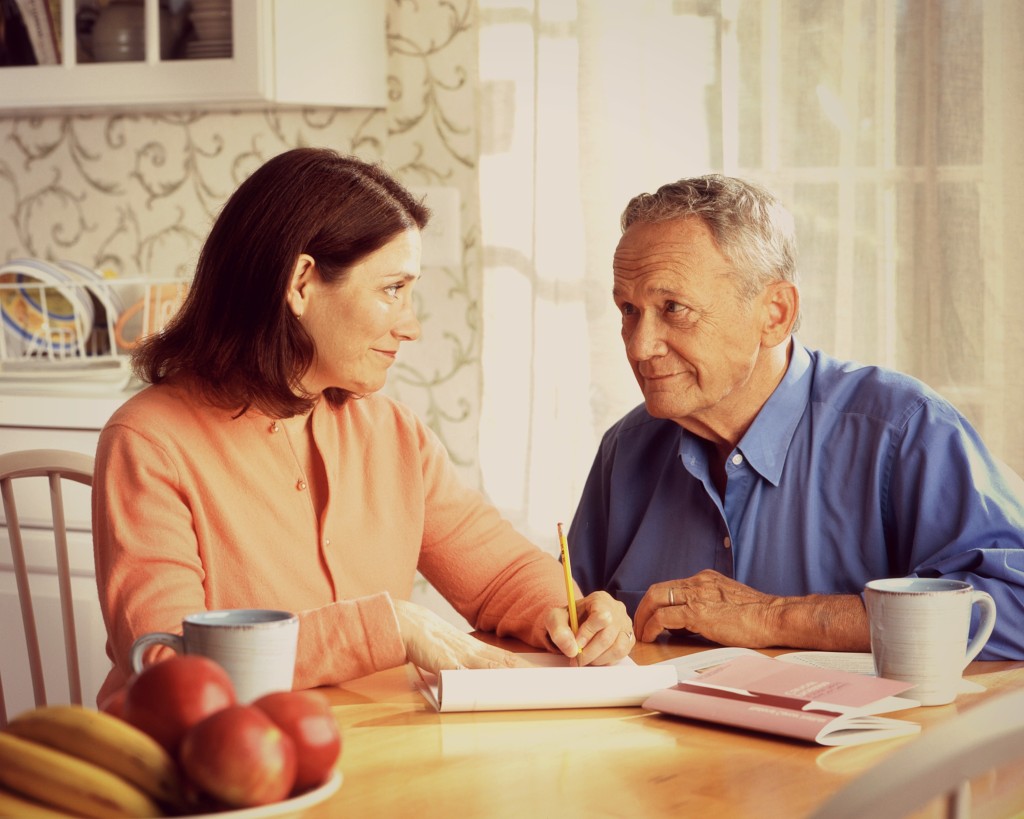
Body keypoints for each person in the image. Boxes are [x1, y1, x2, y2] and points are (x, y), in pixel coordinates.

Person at [92, 147, 632, 705]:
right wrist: (387, 628)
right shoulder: (149, 441)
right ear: (301, 282)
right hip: (206, 766)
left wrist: (573, 614)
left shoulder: (393, 433)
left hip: (367, 751)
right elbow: (166, 658)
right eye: (392, 289)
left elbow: (499, 576)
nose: (412, 326)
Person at [568, 174, 1024, 660]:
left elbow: (1016, 606)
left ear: (776, 314)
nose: (639, 346)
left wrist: (775, 616)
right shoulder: (627, 447)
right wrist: (573, 618)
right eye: (629, 309)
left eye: (674, 308)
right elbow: (567, 611)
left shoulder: (905, 430)